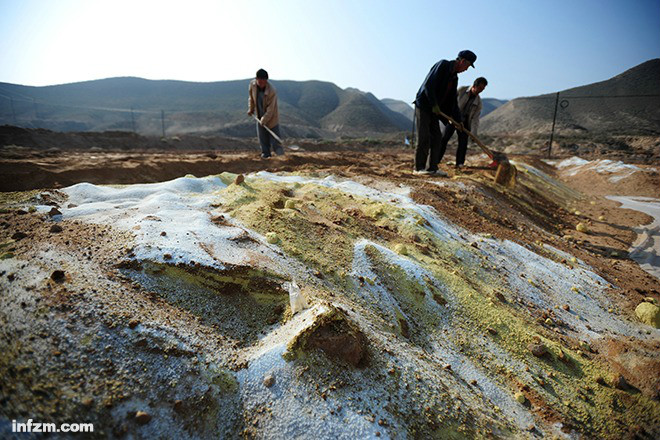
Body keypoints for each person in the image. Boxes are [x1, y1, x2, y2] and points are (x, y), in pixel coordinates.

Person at [413, 50, 476, 175]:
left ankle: (433, 168)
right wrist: (434, 104)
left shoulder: (454, 78)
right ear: (462, 61)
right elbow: (428, 86)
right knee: (424, 137)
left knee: (437, 138)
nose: (466, 69)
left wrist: (459, 121)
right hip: (425, 106)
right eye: (468, 66)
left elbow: (452, 101)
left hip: (435, 110)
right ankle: (418, 168)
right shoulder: (443, 65)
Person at [438, 77, 488, 168]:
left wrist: (474, 133)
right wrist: (449, 115)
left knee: (463, 142)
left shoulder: (478, 103)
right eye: (480, 88)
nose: (481, 91)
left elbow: (475, 119)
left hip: (465, 123)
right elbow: (450, 101)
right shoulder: (461, 90)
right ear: (474, 86)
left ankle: (460, 163)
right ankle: (436, 160)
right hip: (452, 118)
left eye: (483, 89)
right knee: (444, 138)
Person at [248, 68, 283, 158]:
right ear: (256, 79)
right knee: (262, 138)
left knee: (275, 139)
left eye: (264, 81)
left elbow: (271, 109)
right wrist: (251, 109)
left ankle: (281, 157)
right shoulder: (253, 85)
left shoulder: (272, 91)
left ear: (266, 81)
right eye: (260, 81)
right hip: (259, 115)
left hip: (271, 117)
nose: (261, 83)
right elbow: (251, 98)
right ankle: (266, 155)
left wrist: (264, 119)